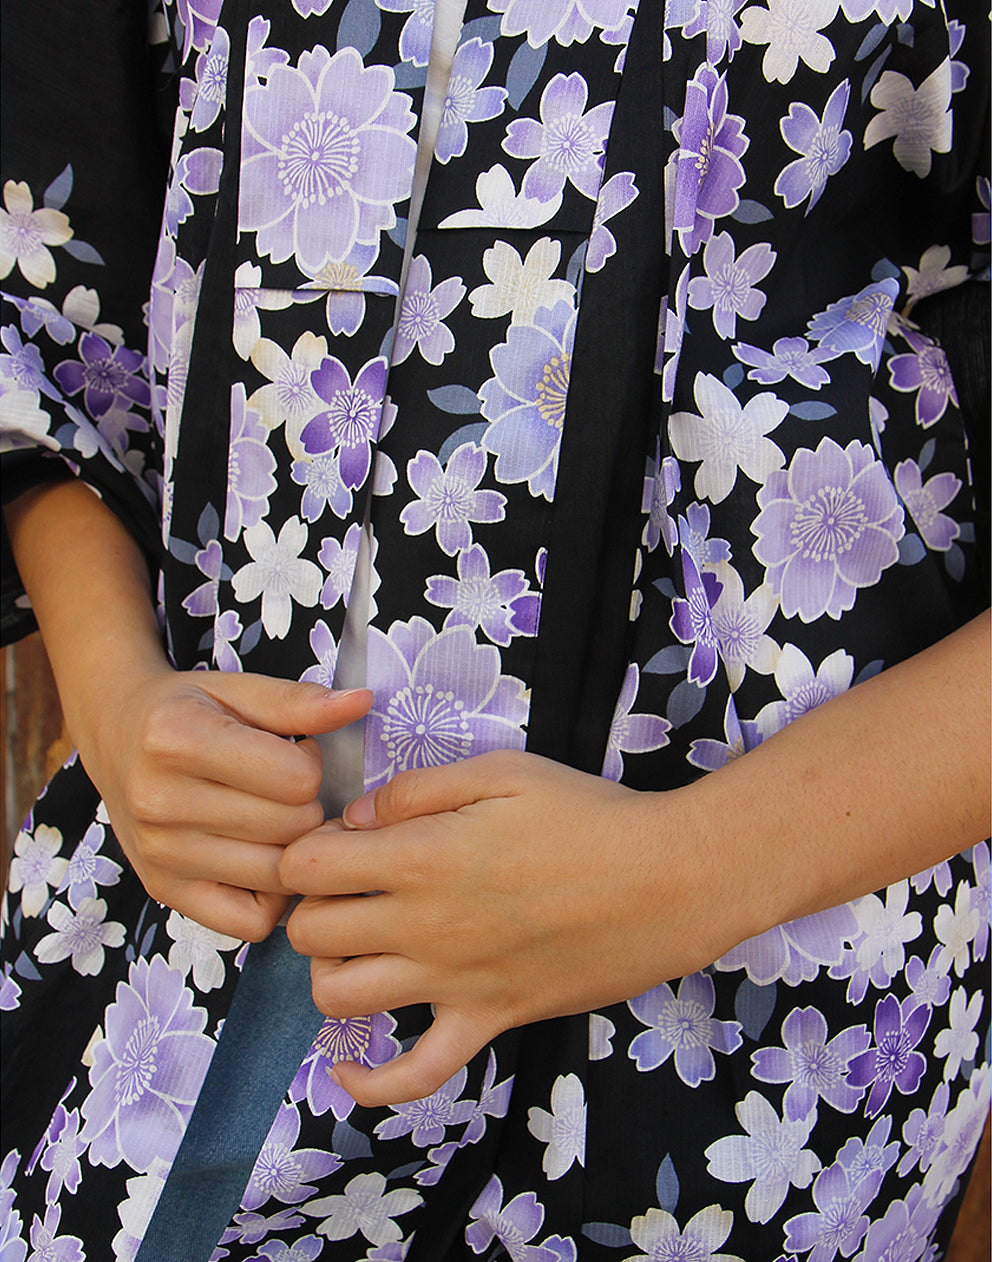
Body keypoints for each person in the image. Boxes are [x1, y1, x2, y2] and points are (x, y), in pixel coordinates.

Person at [1, 1, 989, 1259]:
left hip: (757, 1043)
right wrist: (112, 695)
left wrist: (694, 872)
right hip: (194, 966)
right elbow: (43, 299)